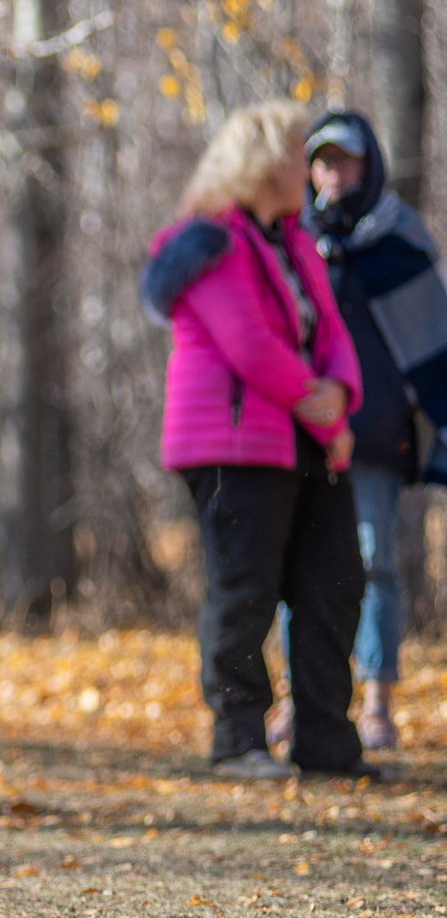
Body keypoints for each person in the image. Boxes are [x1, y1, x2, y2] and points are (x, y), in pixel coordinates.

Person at [140, 102, 372, 781]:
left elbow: (330, 333)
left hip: (301, 433)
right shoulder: (209, 241)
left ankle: (327, 741)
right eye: (300, 152)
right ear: (266, 163)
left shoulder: (295, 240)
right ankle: (237, 737)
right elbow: (252, 348)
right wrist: (328, 418)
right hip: (233, 443)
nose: (309, 166)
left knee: (334, 580)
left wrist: (342, 398)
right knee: (245, 587)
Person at [302, 109, 447, 752]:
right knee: (298, 568)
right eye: (324, 160)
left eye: (346, 160)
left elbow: (430, 344)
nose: (334, 173)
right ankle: (301, 702)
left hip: (377, 431)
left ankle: (377, 703)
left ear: (369, 166)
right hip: (306, 429)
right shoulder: (292, 240)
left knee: (375, 564)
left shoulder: (399, 240)